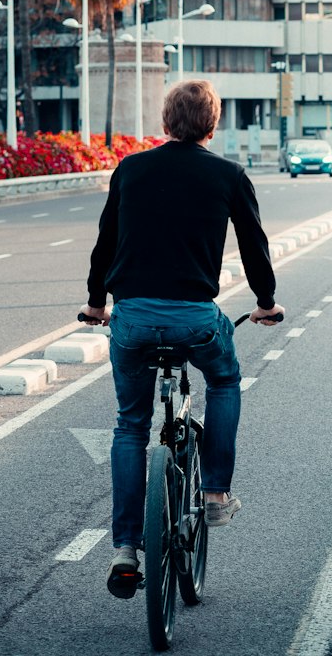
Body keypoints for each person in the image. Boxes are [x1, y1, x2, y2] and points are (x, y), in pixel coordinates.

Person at [81, 79, 285, 600]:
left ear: (166, 122)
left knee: (130, 424)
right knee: (224, 379)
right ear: (212, 125)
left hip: (132, 320)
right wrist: (265, 301)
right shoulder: (228, 175)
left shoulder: (130, 169)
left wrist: (97, 304)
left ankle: (125, 548)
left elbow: (106, 241)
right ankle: (215, 492)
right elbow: (254, 243)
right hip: (195, 319)